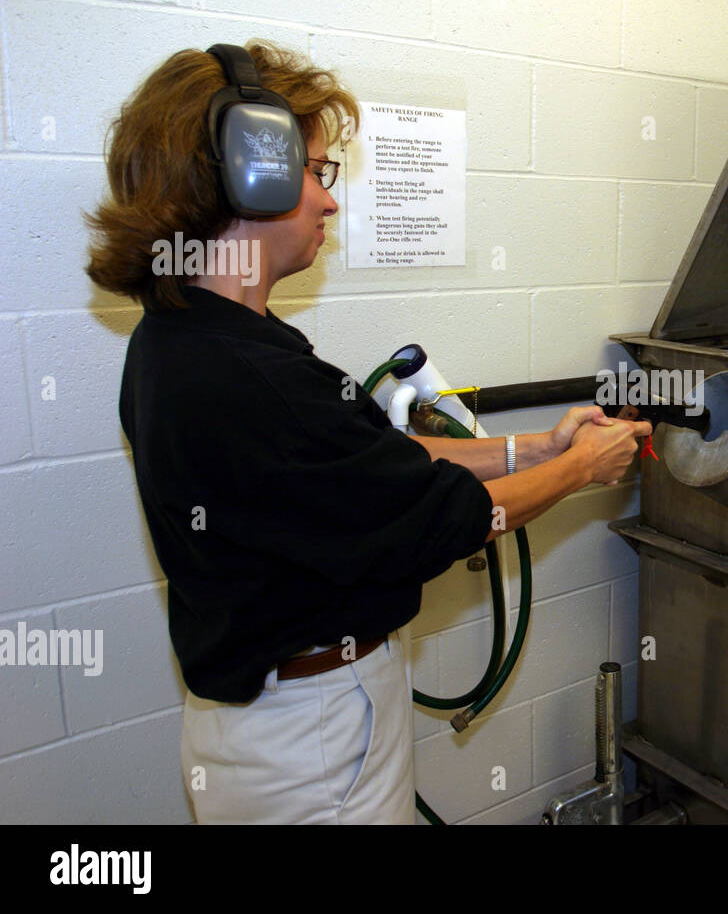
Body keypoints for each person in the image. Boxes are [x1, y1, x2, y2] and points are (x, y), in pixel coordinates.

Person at [86, 41, 650, 824]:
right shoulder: (241, 375)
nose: (329, 201)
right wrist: (585, 466)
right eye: (316, 173)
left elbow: (378, 462)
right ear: (249, 172)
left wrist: (537, 449)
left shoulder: (196, 338)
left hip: (299, 718)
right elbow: (445, 517)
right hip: (308, 738)